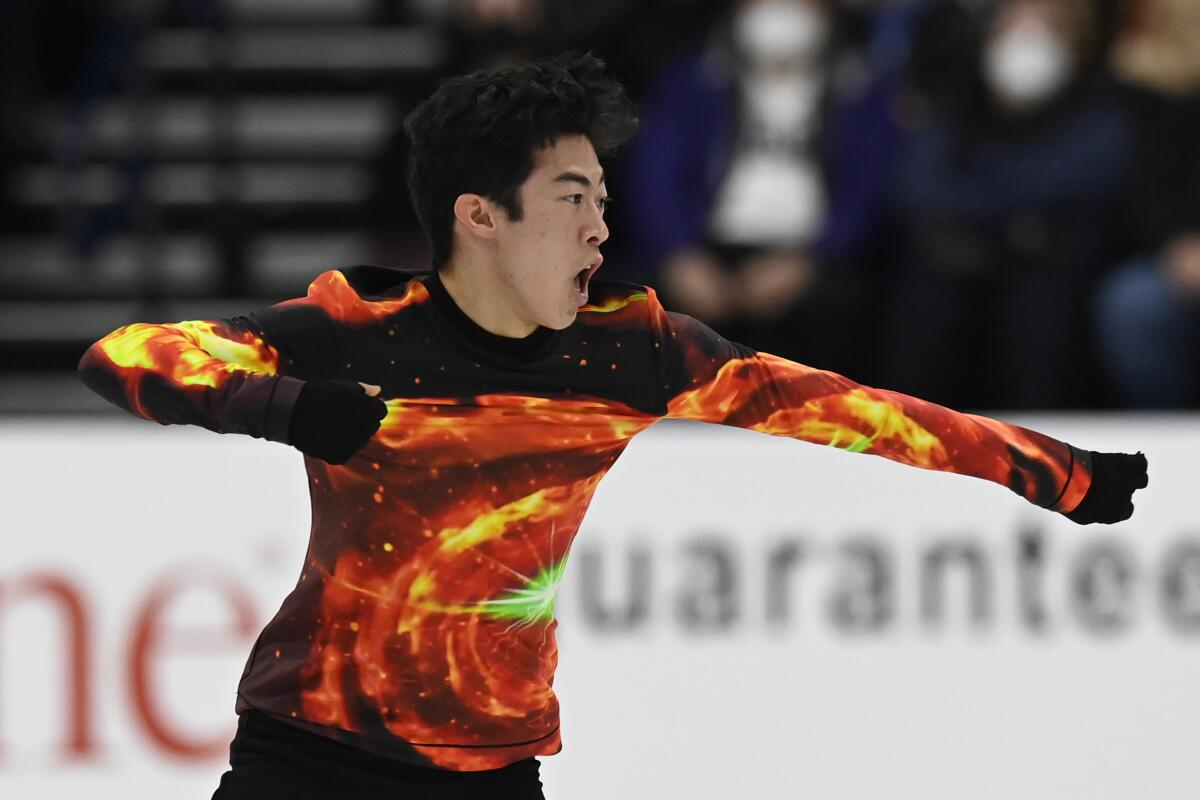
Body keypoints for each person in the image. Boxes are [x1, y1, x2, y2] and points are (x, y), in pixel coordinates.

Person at [77, 52, 1148, 800]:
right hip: (307, 757)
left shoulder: (631, 351)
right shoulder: (355, 331)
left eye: (603, 197)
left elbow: (845, 411)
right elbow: (126, 353)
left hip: (495, 770)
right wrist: (288, 405)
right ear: (479, 214)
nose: (602, 225)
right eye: (572, 197)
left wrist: (1046, 468)